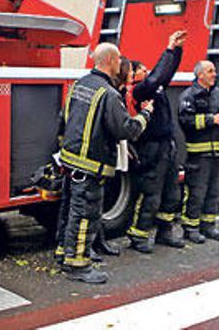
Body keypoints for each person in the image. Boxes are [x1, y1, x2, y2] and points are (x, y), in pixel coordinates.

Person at [55, 43, 153, 284]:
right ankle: (78, 265)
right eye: (119, 60)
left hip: (70, 162)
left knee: (70, 211)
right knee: (86, 215)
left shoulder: (79, 85)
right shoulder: (108, 94)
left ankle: (63, 253)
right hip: (91, 166)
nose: (121, 65)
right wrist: (145, 114)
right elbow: (126, 129)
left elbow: (63, 120)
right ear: (110, 61)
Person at [126, 30, 187, 253]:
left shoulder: (155, 87)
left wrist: (177, 50)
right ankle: (138, 235)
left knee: (172, 193)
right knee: (151, 194)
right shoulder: (141, 90)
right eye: (141, 68)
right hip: (152, 148)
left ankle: (165, 232)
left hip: (167, 146)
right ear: (133, 74)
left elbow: (166, 72)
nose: (146, 70)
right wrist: (169, 47)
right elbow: (158, 75)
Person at [178, 60, 219, 244]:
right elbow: (185, 121)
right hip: (199, 155)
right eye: (210, 71)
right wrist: (211, 120)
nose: (214, 74)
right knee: (196, 193)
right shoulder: (189, 95)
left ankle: (209, 226)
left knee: (215, 192)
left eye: (214, 71)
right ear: (200, 74)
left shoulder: (218, 94)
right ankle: (190, 229)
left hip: (218, 154)